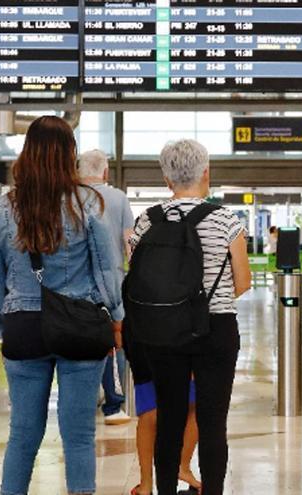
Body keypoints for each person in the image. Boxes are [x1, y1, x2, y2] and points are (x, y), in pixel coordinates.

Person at [0, 116, 125, 495]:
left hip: (23, 327)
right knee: (78, 435)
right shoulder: (87, 204)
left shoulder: (4, 208)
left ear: (27, 153)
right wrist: (116, 316)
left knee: (23, 434)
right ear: (70, 156)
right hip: (79, 325)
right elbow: (106, 269)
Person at [127, 139, 251, 495]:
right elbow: (241, 282)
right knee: (213, 423)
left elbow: (138, 279)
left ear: (166, 179)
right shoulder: (226, 220)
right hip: (215, 329)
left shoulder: (146, 220)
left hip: (162, 330)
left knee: (169, 418)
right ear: (206, 173)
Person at [77, 149, 135, 426]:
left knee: (79, 340)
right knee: (115, 340)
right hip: (112, 282)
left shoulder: (68, 198)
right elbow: (129, 243)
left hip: (73, 283)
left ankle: (85, 400)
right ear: (105, 172)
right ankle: (114, 404)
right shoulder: (118, 198)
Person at [123, 314, 202, 495]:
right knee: (194, 401)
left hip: (140, 321)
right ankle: (182, 466)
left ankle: (146, 484)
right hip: (182, 323)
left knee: (149, 405)